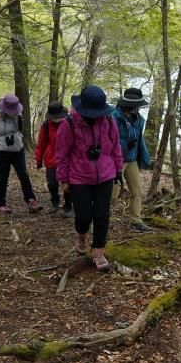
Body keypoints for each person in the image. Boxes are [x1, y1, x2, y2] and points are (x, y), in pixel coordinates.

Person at [54, 85, 123, 271]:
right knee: (84, 216)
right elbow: (62, 154)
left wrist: (118, 170)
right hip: (79, 176)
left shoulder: (108, 121)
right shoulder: (68, 124)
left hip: (105, 174)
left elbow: (116, 147)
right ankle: (81, 234)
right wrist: (63, 179)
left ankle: (98, 252)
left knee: (102, 215)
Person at [0, 93, 43, 215]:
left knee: (23, 174)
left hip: (17, 148)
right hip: (0, 150)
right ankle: (1, 204)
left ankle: (31, 200)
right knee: (3, 176)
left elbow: (20, 128)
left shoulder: (18, 113)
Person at [112, 87, 153, 232]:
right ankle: (97, 218)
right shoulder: (114, 117)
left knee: (137, 191)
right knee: (113, 195)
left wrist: (145, 157)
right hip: (116, 161)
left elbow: (139, 140)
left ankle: (136, 221)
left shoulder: (139, 120)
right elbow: (110, 140)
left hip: (132, 160)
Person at [35, 101, 73, 217]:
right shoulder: (46, 125)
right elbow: (41, 144)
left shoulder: (69, 123)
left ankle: (68, 206)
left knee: (67, 184)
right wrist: (38, 160)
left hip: (67, 159)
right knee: (52, 184)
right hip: (51, 159)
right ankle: (55, 203)